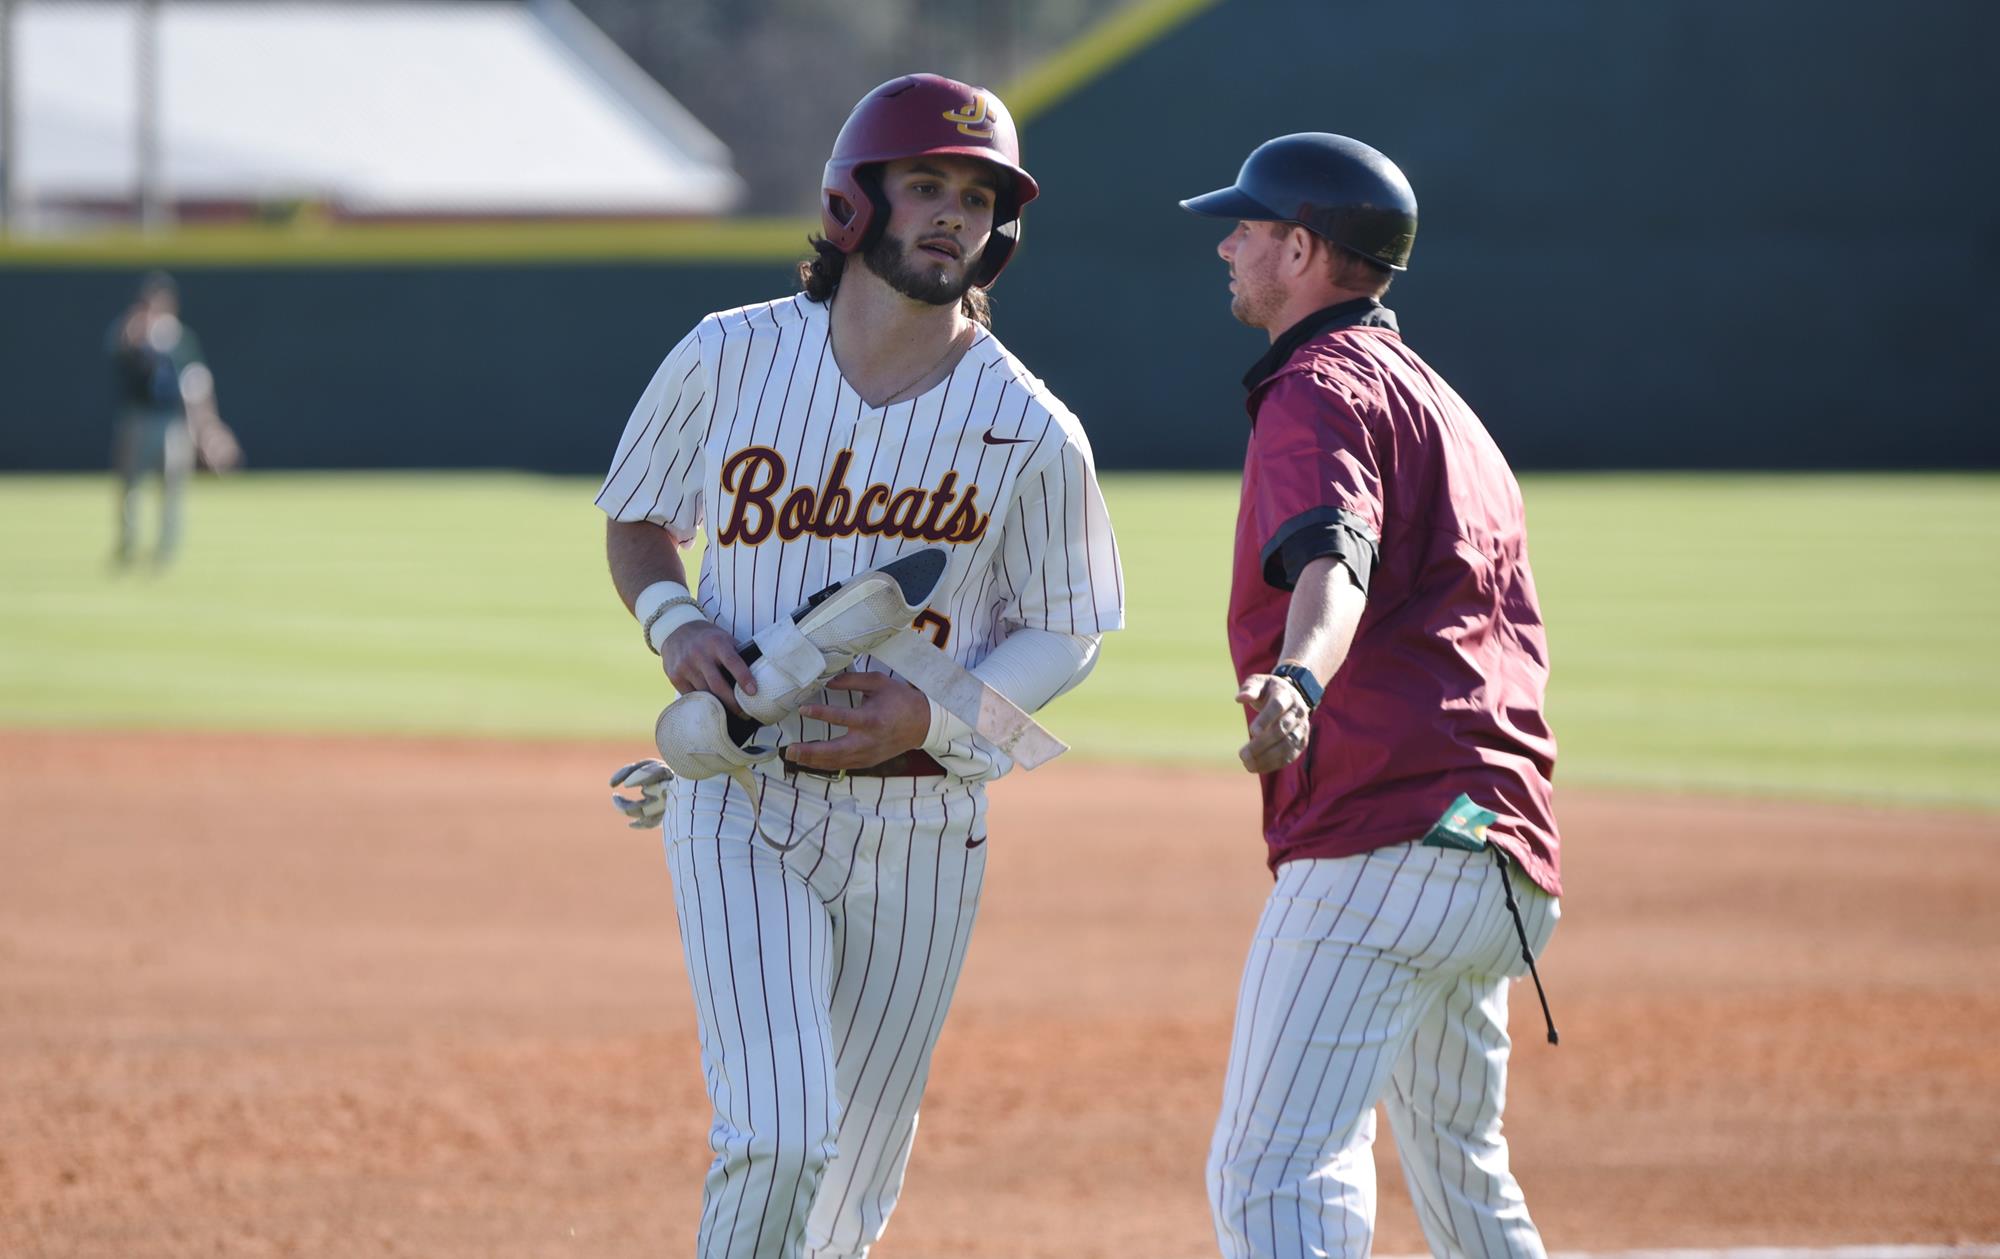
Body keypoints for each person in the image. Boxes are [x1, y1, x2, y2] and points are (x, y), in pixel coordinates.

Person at [596, 74, 1123, 1259]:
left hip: (925, 827)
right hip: (742, 795)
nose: (951, 214)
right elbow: (637, 520)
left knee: (848, 1196)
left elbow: (1067, 625)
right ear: (852, 202)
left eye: (977, 196)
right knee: (780, 1133)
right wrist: (676, 623)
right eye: (925, 183)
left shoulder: (1030, 427)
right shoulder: (727, 356)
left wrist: (932, 712)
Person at [1179, 133, 1564, 1258]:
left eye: (1246, 226)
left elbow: (1330, 559)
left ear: (1301, 250)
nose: (1227, 244)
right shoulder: (1443, 402)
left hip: (1383, 839)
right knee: (1460, 1170)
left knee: (1272, 1169)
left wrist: (1296, 674)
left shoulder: (1315, 386)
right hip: (1497, 849)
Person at [105, 271, 238, 567]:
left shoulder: (180, 337)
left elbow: (197, 383)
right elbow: (117, 352)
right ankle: (128, 542)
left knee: (172, 486)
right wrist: (138, 336)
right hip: (136, 418)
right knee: (130, 485)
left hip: (172, 422)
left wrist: (209, 427)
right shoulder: (131, 332)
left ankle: (166, 548)